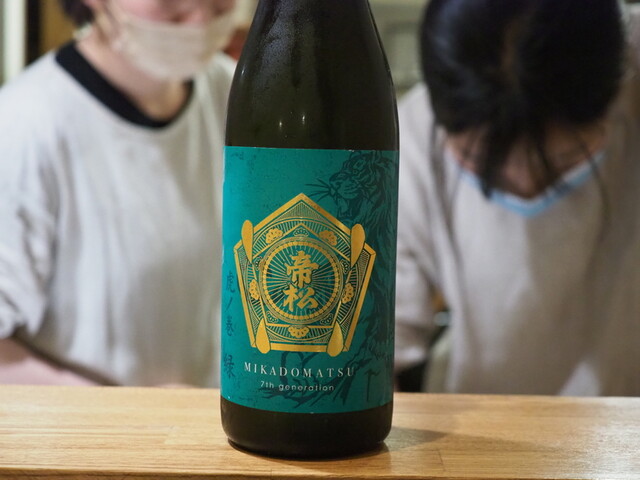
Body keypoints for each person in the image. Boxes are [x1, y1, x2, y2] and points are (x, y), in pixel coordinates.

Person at [395, 0, 640, 396]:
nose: (525, 182)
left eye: (564, 162)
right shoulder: (412, 140)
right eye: (479, 163)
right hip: (478, 414)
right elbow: (380, 343)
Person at [0, 0, 237, 386]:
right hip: (89, 422)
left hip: (209, 416)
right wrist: (132, 411)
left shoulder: (235, 92)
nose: (199, 15)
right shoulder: (24, 127)